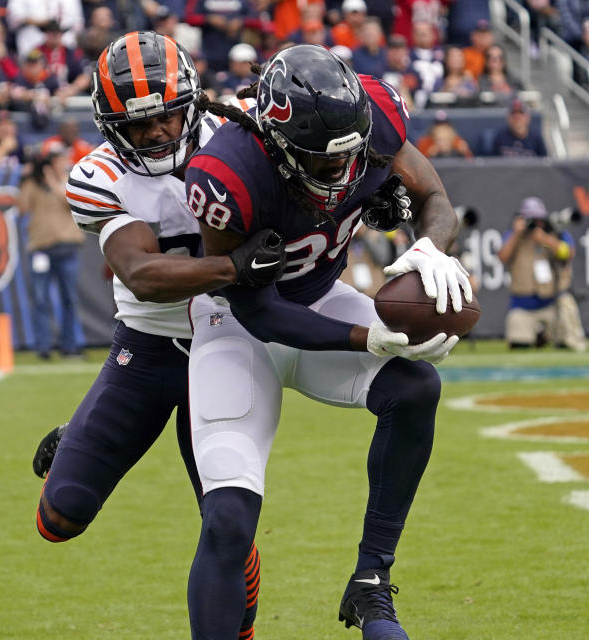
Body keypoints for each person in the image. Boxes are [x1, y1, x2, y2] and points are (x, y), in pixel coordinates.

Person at [182, 44, 472, 640]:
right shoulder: (227, 173)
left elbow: (435, 199)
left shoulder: (375, 119)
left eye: (353, 158)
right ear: (277, 143)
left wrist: (429, 247)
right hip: (236, 324)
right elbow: (257, 309)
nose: (341, 175)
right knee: (229, 519)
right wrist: (368, 336)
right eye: (321, 163)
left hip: (319, 295)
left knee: (415, 387)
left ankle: (371, 581)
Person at [31, 32, 284, 640]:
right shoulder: (98, 175)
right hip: (147, 346)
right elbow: (143, 277)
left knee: (226, 524)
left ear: (191, 102)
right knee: (59, 517)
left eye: (167, 115)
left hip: (229, 345)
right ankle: (79, 436)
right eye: (137, 124)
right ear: (109, 125)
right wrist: (235, 267)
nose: (156, 134)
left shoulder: (240, 131)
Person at [16, 143, 85, 359]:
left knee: (70, 299)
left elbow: (70, 202)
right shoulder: (33, 183)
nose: (57, 162)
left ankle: (70, 346)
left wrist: (54, 180)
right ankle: (43, 347)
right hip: (41, 249)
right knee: (40, 300)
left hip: (67, 247)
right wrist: (25, 178)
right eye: (53, 159)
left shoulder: (70, 180)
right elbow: (20, 208)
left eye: (59, 158)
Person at [497, 197, 587, 352]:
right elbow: (502, 257)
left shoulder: (553, 233)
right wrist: (517, 234)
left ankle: (548, 336)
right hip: (522, 306)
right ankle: (536, 336)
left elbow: (569, 254)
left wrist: (546, 239)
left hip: (550, 304)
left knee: (565, 335)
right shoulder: (514, 235)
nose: (536, 224)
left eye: (539, 219)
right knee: (520, 346)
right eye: (531, 219)